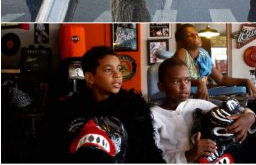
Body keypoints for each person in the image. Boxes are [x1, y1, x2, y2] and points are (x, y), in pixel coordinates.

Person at [37, 46, 165, 163]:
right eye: (108, 70)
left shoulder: (134, 107)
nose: (117, 75)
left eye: (119, 69)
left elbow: (146, 152)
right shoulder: (66, 110)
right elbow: (50, 152)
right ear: (90, 78)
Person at [151, 57, 256, 163]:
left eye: (187, 80)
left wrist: (249, 117)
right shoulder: (153, 116)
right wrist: (190, 155)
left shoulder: (199, 104)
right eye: (176, 81)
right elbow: (151, 158)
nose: (184, 86)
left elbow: (240, 110)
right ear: (162, 87)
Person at [174, 24, 256, 100]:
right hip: (183, 99)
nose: (195, 36)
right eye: (189, 35)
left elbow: (221, 79)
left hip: (198, 98)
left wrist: (245, 81)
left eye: (196, 34)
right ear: (181, 42)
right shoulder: (182, 52)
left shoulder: (204, 55)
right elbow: (179, 78)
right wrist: (200, 83)